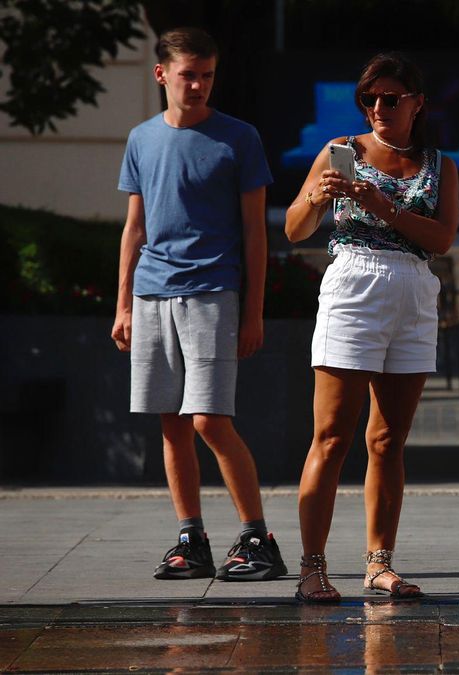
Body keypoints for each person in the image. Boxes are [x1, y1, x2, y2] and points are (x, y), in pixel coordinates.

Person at [284, 52, 459, 603]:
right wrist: (318, 195)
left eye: (391, 98)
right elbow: (293, 228)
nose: (379, 108)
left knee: (387, 439)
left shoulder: (440, 164)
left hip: (413, 290)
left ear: (417, 104)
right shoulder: (343, 152)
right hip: (354, 283)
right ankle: (312, 568)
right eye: (370, 99)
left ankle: (378, 563)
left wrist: (382, 206)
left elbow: (441, 239)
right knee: (332, 435)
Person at [113, 27, 285, 582]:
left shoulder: (239, 138)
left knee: (210, 420)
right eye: (189, 74)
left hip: (213, 292)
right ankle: (191, 537)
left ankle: (258, 537)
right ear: (161, 73)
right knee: (171, 423)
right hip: (151, 293)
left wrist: (254, 310)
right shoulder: (141, 139)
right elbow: (134, 228)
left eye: (207, 75)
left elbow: (256, 233)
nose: (199, 85)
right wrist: (122, 305)